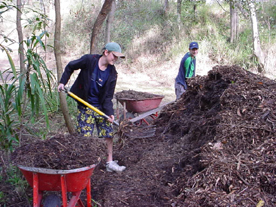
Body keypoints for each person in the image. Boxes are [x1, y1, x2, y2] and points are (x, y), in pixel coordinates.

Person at [57, 42, 126, 173]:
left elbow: (108, 96)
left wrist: (110, 113)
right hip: (85, 105)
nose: (115, 59)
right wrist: (62, 82)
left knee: (108, 134)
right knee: (85, 137)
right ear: (106, 52)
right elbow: (71, 66)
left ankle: (109, 162)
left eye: (117, 57)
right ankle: (84, 166)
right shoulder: (89, 61)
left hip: (100, 108)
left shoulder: (112, 73)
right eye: (114, 56)